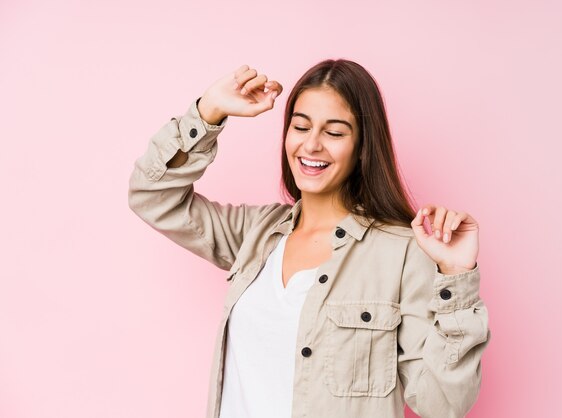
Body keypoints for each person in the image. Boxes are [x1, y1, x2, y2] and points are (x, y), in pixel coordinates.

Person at [128, 59, 491, 418]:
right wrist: (207, 112)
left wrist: (457, 278)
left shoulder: (402, 252)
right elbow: (151, 195)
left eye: (334, 133)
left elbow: (443, 404)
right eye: (300, 127)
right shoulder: (255, 234)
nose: (312, 145)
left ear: (363, 146)